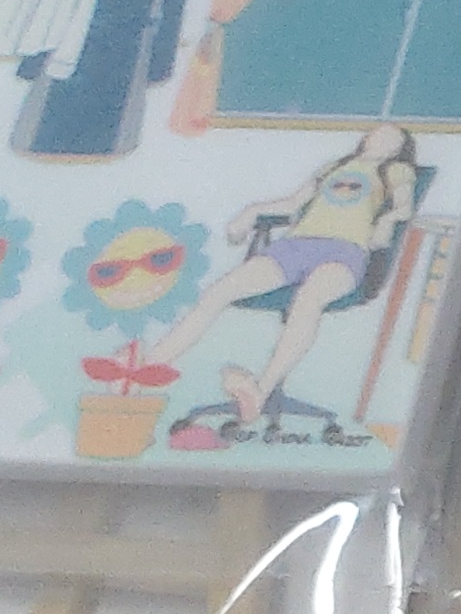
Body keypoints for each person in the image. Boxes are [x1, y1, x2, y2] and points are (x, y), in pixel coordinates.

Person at [144, 124, 417, 429]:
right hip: (295, 246)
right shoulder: (333, 167)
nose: (381, 139)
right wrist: (251, 211)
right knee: (219, 292)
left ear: (398, 149)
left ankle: (260, 390)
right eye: (378, 133)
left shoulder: (396, 171)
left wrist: (386, 220)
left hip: (344, 251)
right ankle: (150, 366)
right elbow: (291, 204)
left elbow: (404, 208)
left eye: (392, 139)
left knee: (308, 300)